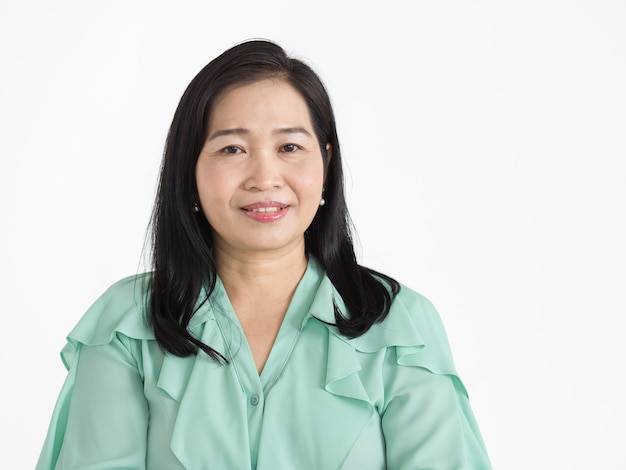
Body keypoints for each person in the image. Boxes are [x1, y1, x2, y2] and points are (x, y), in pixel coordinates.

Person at [36, 39, 492, 469]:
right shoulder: (126, 325)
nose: (265, 176)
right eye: (232, 148)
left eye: (289, 147)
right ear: (189, 169)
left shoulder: (402, 326)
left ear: (326, 164)